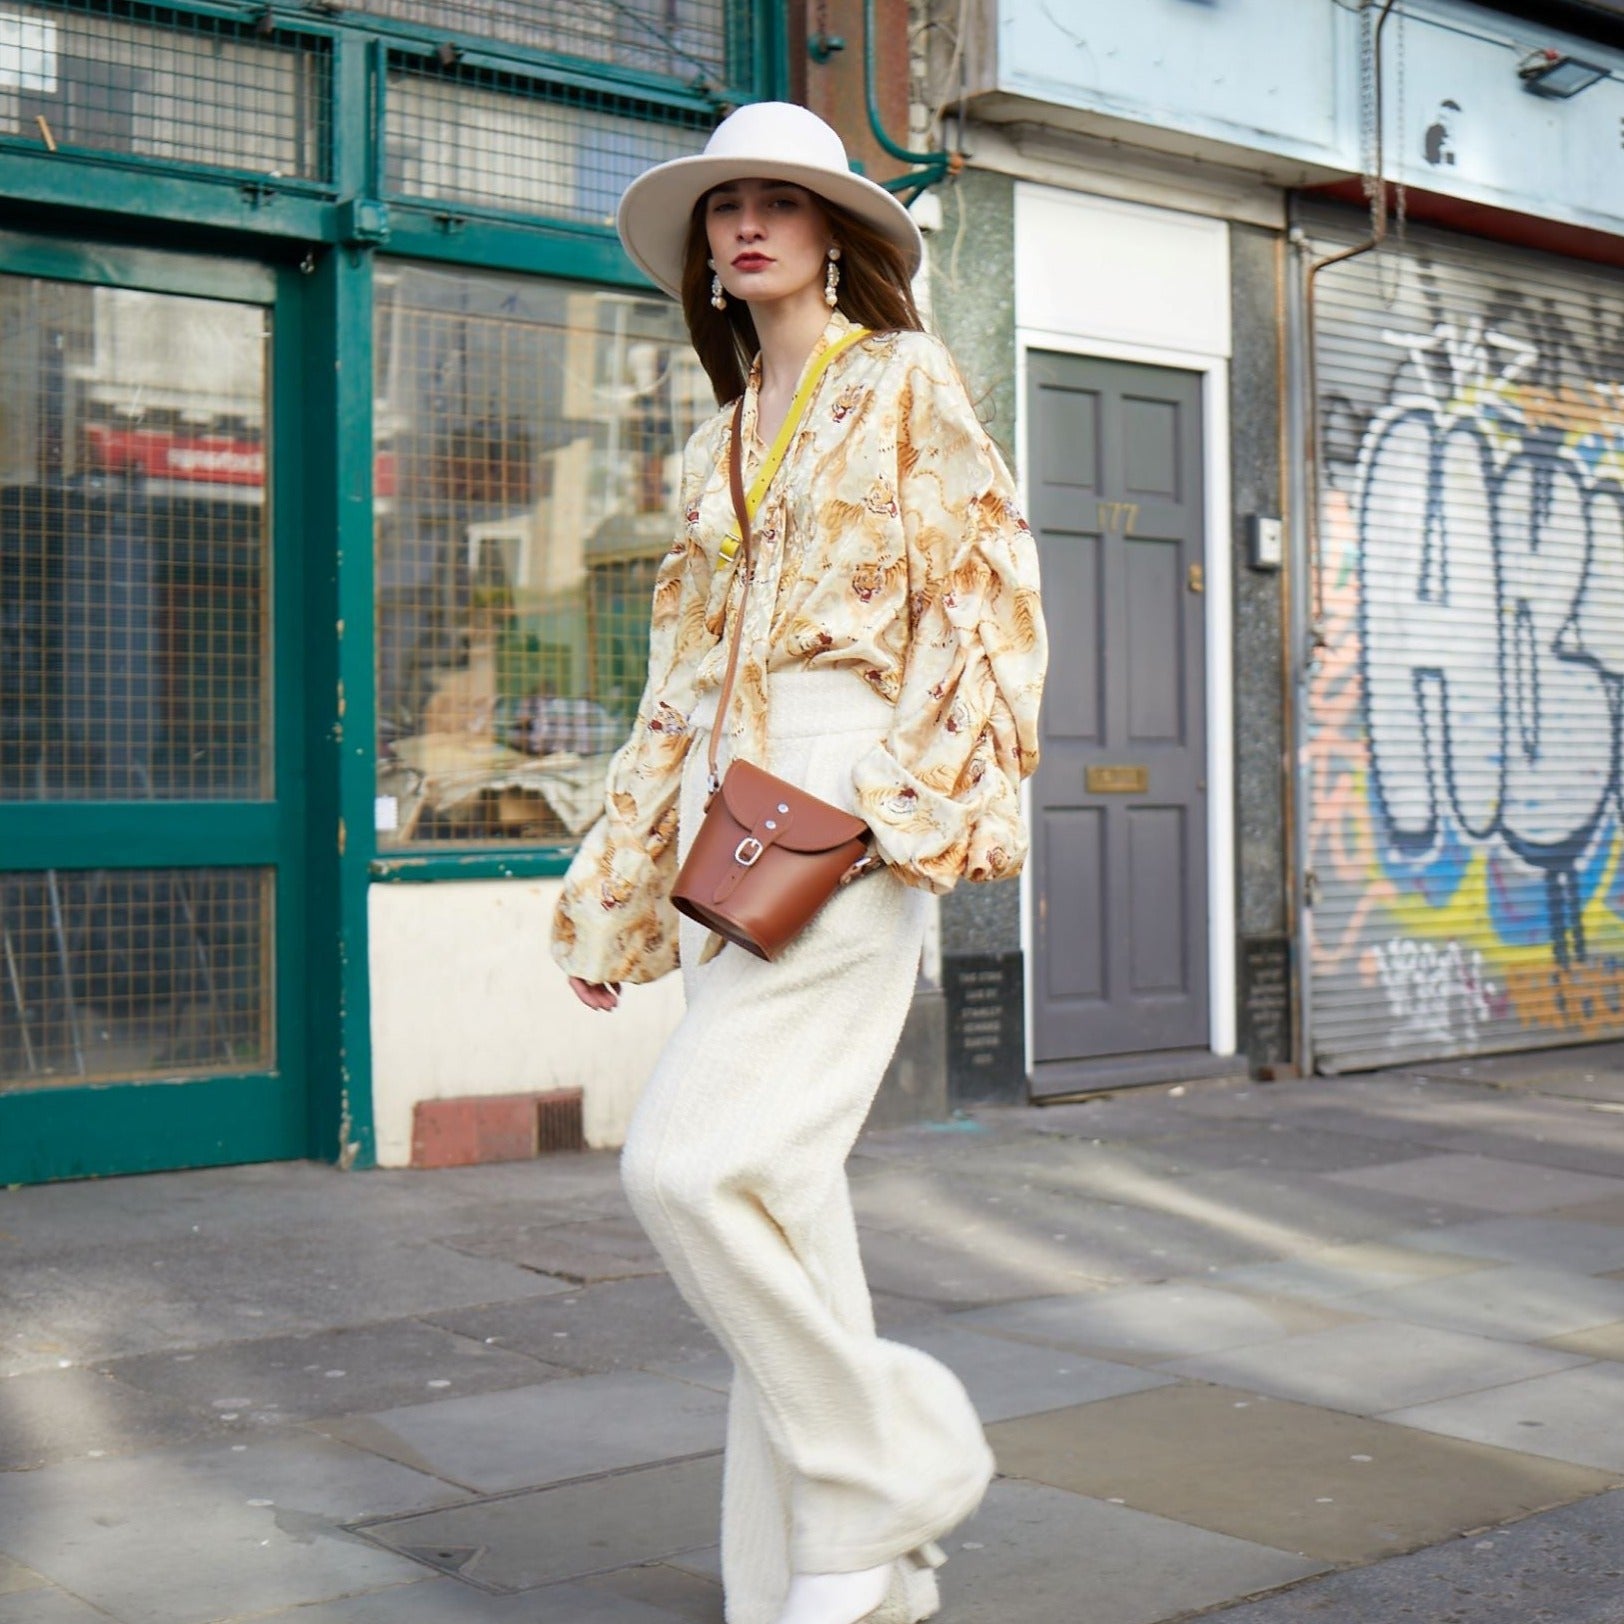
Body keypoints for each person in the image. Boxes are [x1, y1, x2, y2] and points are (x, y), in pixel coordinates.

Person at [552, 101, 1048, 1624]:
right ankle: (836, 1575)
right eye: (725, 208)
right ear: (704, 252)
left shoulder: (902, 377)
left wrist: (897, 805)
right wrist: (617, 885)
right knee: (786, 1197)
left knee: (684, 1169)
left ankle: (889, 1456)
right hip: (727, 819)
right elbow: (678, 685)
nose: (749, 223)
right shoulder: (712, 443)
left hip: (843, 797)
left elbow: (986, 596)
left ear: (837, 234)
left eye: (781, 200)